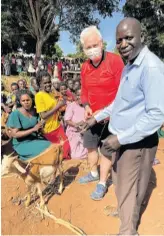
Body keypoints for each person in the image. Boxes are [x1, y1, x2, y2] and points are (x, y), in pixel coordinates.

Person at [82, 18, 164, 235]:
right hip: (121, 138)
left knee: (129, 189)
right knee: (121, 185)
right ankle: (127, 214)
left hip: (136, 142)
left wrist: (120, 139)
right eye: (119, 40)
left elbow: (156, 115)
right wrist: (97, 117)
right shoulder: (129, 65)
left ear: (141, 37)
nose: (123, 43)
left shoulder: (152, 67)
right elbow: (119, 103)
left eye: (129, 37)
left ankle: (128, 230)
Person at [78, 26, 124, 200]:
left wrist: (104, 112)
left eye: (94, 45)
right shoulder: (84, 67)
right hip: (92, 117)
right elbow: (84, 91)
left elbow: (122, 93)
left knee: (106, 149)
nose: (92, 50)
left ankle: (102, 183)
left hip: (112, 117)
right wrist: (86, 106)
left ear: (102, 43)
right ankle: (93, 172)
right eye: (88, 47)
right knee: (91, 145)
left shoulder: (115, 61)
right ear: (84, 49)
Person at [35, 70, 70, 159]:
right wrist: (58, 106)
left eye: (49, 82)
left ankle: (64, 168)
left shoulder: (50, 93)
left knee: (66, 148)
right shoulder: (39, 96)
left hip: (57, 126)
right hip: (49, 129)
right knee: (59, 151)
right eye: (45, 83)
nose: (48, 84)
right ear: (40, 83)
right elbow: (43, 115)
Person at [6, 90, 51, 161]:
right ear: (20, 102)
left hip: (35, 139)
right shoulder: (15, 114)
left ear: (32, 100)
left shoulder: (35, 111)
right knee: (45, 150)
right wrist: (33, 129)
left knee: (51, 146)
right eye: (23, 101)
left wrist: (41, 127)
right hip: (21, 143)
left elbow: (38, 125)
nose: (26, 102)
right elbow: (14, 134)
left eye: (28, 100)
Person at [64, 89, 88, 159]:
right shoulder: (72, 105)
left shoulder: (87, 106)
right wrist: (77, 125)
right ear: (75, 96)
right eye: (78, 95)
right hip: (73, 133)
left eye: (82, 95)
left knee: (87, 153)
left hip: (85, 133)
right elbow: (67, 120)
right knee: (74, 156)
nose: (79, 97)